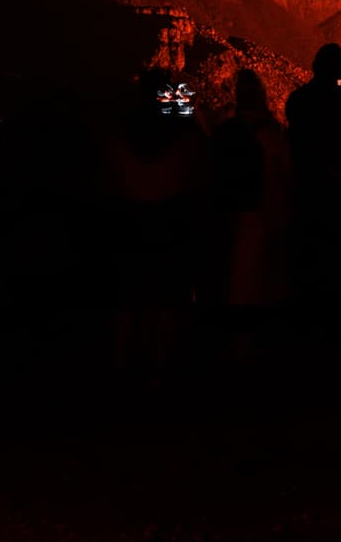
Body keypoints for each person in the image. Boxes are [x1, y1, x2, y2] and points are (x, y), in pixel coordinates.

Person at [110, 68, 210, 375]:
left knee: (130, 298)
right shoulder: (181, 135)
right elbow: (203, 154)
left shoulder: (120, 134)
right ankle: (160, 367)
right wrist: (188, 110)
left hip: (131, 223)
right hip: (169, 222)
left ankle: (122, 364)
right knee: (167, 297)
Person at [209, 69, 292, 363]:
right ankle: (251, 354)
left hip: (227, 218)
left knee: (229, 282)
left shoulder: (225, 132)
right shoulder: (271, 133)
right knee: (258, 286)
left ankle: (225, 348)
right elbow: (284, 175)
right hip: (260, 217)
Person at [284, 42, 341, 345]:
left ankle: (304, 336)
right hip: (339, 202)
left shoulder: (298, 101)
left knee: (306, 267)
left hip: (304, 196)